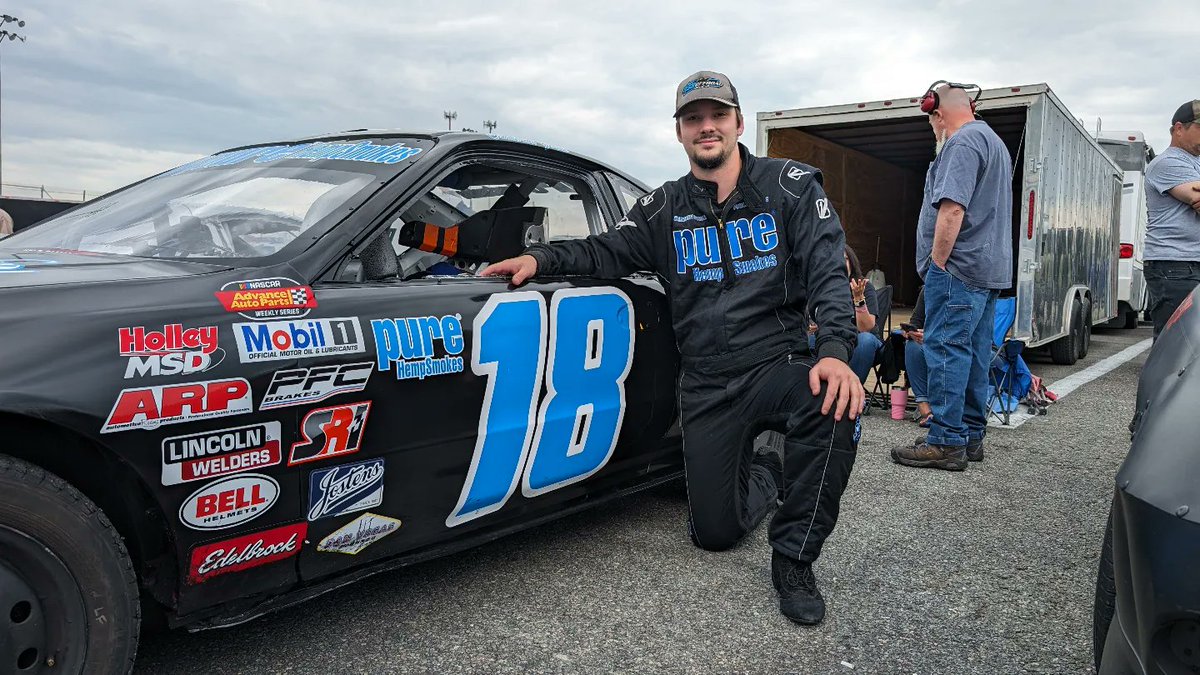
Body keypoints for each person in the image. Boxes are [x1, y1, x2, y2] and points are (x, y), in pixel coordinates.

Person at [480, 70, 863, 625]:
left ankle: (795, 558)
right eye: (693, 119)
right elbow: (604, 251)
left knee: (834, 403)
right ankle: (770, 473)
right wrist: (539, 260)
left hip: (776, 365)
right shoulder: (662, 209)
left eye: (717, 116)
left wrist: (833, 350)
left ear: (736, 121)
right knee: (713, 534)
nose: (707, 127)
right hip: (706, 381)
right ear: (679, 132)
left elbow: (828, 273)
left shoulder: (791, 187)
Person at [891, 82, 1013, 472]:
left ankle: (945, 440)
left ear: (938, 113)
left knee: (945, 348)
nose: (932, 127)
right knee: (975, 352)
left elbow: (952, 210)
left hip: (958, 269)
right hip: (987, 270)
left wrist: (937, 263)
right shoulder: (993, 142)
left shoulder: (960, 144)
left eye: (930, 119)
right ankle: (971, 435)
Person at [1143, 100, 1200, 338]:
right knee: (1176, 344)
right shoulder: (1168, 162)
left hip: (1188, 263)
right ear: (1179, 128)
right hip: (1175, 265)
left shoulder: (1195, 163)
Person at [808, 245, 882, 383]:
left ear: (851, 263)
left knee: (865, 340)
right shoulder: (821, 288)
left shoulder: (864, 286)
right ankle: (819, 392)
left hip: (863, 342)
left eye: (844, 259)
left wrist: (858, 299)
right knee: (809, 340)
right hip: (831, 339)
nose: (839, 264)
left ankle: (852, 393)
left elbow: (866, 328)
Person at [901, 288, 930, 426]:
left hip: (969, 345)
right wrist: (911, 332)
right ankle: (925, 408)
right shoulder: (929, 289)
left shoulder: (968, 287)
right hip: (932, 343)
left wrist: (933, 335)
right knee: (912, 344)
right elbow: (916, 322)